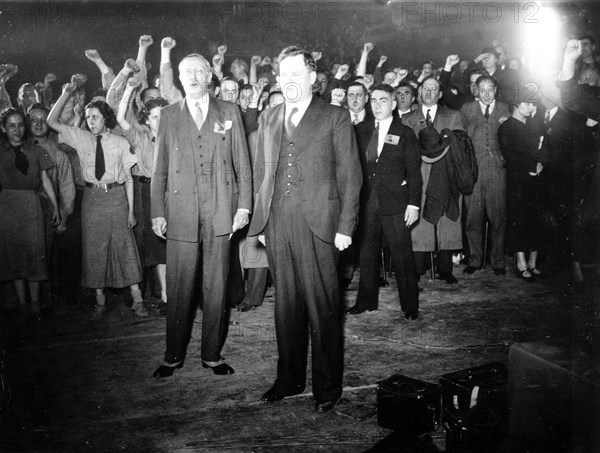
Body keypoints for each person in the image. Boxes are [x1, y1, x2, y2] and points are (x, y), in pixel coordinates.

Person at [248, 46, 362, 412]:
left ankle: (327, 388)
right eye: (284, 75)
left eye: (297, 74)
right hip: (279, 223)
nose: (290, 81)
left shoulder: (335, 116)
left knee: (324, 309)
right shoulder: (269, 117)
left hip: (320, 225)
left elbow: (350, 175)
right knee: (286, 308)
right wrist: (262, 222)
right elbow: (262, 173)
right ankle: (289, 379)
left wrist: (345, 225)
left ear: (313, 78)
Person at [150, 53, 252, 378]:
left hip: (220, 209)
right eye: (186, 72)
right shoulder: (168, 115)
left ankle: (212, 355)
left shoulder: (230, 111)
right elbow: (158, 171)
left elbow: (244, 168)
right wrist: (157, 212)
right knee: (179, 287)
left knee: (216, 287)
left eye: (198, 71)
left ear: (209, 75)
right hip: (180, 211)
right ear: (179, 79)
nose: (193, 77)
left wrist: (244, 207)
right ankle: (173, 356)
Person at [47, 82, 147, 319]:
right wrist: (65, 93)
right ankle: (100, 302)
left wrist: (131, 211)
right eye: (89, 117)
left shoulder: (121, 143)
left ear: (106, 119)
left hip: (116, 197)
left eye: (95, 117)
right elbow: (53, 122)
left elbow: (129, 180)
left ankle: (138, 300)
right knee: (94, 248)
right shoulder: (81, 138)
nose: (90, 121)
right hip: (92, 199)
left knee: (125, 246)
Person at [346, 84, 422, 319]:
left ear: (393, 103)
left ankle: (410, 306)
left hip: (395, 204)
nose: (377, 106)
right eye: (374, 101)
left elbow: (414, 173)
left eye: (383, 101)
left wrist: (413, 204)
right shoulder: (360, 130)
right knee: (366, 255)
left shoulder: (405, 133)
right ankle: (366, 301)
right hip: (367, 202)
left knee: (402, 256)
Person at [403, 76, 466, 284]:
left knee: (447, 217)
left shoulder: (454, 115)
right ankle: (419, 267)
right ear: (420, 93)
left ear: (440, 94)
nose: (429, 92)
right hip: (418, 174)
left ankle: (445, 269)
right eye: (425, 89)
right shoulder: (408, 118)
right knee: (419, 219)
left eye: (434, 89)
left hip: (446, 173)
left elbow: (459, 145)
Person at [0, 109, 60, 319]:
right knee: (15, 258)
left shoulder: (36, 150)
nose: (17, 130)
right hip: (7, 207)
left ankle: (35, 304)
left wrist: (56, 207)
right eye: (11, 126)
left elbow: (45, 181)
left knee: (35, 256)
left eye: (20, 125)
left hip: (32, 205)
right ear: (3, 129)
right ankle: (23, 303)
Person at [117, 79, 168, 314]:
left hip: (169, 192)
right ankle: (150, 296)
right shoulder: (140, 137)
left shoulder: (174, 137)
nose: (160, 120)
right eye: (155, 116)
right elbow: (120, 119)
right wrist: (129, 89)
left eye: (163, 116)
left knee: (167, 245)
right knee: (149, 244)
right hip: (145, 192)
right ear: (147, 119)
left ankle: (169, 296)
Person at [460, 75, 510, 275]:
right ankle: (475, 259)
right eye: (482, 89)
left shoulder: (506, 109)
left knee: (498, 215)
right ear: (476, 91)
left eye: (490, 89)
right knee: (473, 216)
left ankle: (497, 261)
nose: (487, 93)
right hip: (474, 166)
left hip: (498, 166)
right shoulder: (466, 109)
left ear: (496, 89)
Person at [498, 95, 545, 281]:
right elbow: (509, 155)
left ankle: (533, 263)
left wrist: (540, 164)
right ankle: (521, 263)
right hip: (518, 179)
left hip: (537, 179)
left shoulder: (532, 126)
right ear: (515, 105)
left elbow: (541, 149)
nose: (530, 107)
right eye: (526, 104)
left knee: (536, 219)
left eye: (533, 104)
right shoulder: (506, 127)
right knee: (519, 219)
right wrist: (529, 168)